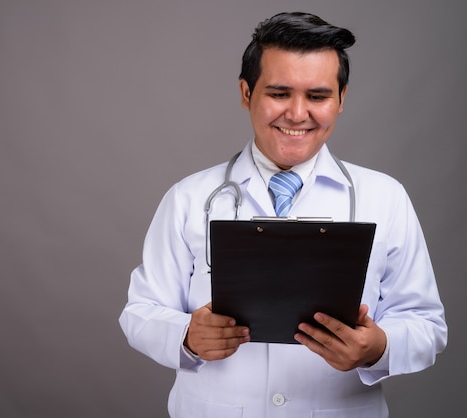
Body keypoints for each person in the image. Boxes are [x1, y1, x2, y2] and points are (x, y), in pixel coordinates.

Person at [119, 11, 447, 418]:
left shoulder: (386, 197)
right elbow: (140, 313)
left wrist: (379, 347)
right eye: (278, 93)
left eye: (317, 96)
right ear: (245, 93)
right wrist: (186, 335)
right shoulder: (189, 197)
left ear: (341, 99)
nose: (296, 114)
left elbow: (427, 325)